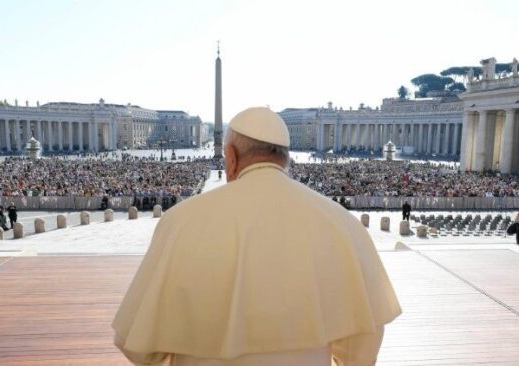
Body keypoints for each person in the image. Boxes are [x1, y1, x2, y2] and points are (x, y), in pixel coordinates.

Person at [113, 107, 401, 366]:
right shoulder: (341, 223)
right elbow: (361, 347)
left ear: (231, 157)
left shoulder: (180, 221)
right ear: (286, 159)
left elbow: (137, 345)